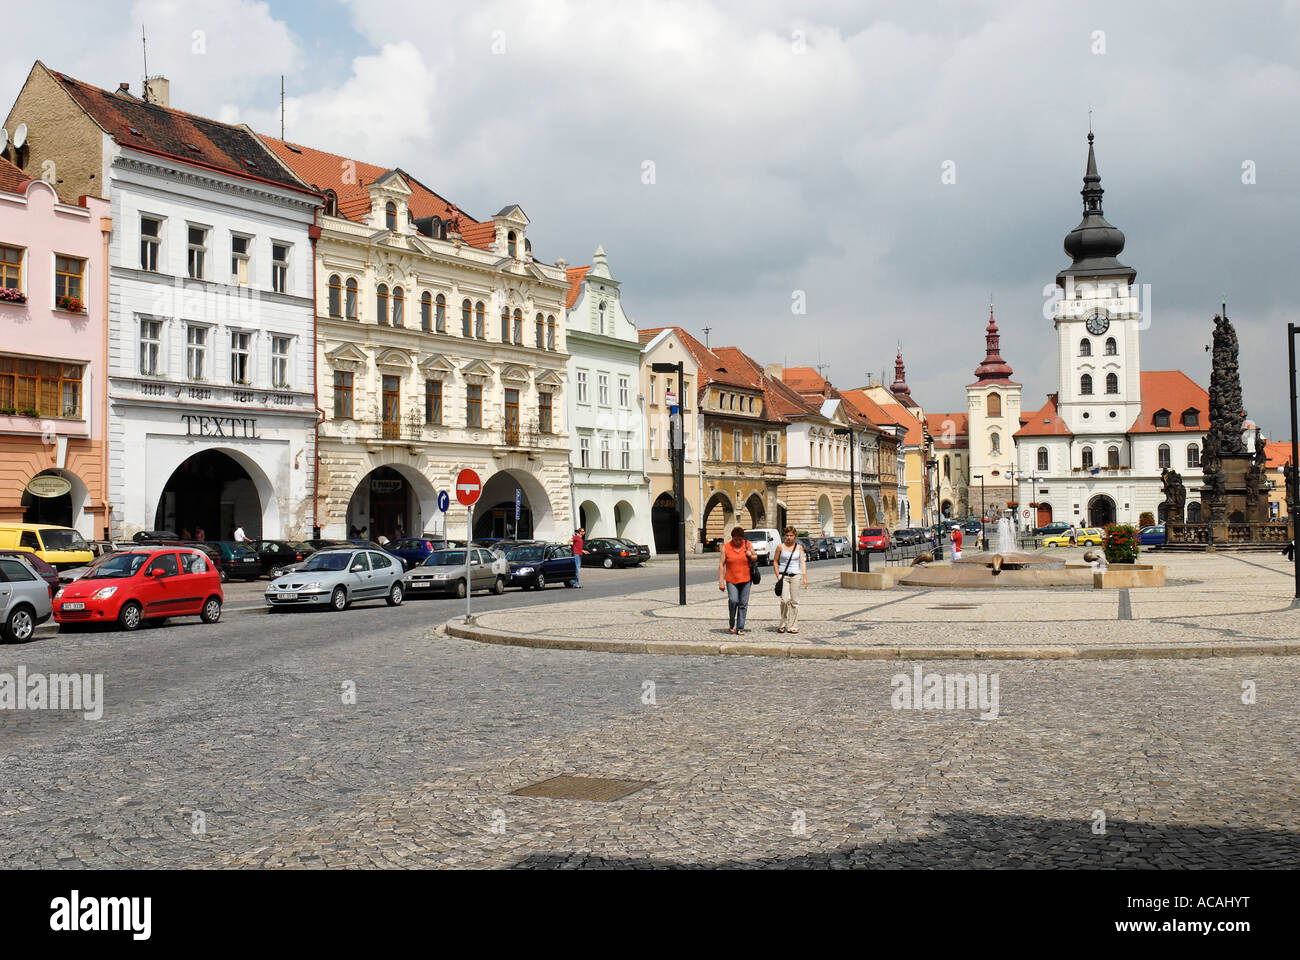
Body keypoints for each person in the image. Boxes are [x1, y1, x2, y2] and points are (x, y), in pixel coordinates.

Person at [718, 525, 757, 635]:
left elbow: (755, 557)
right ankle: (731, 622)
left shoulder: (747, 544)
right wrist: (721, 581)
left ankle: (740, 627)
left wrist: (751, 555)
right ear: (732, 537)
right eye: (736, 539)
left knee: (743, 604)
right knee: (733, 600)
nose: (738, 541)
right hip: (731, 579)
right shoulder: (726, 547)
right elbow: (721, 564)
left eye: (740, 539)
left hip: (746, 579)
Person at [773, 525, 807, 634]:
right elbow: (775, 561)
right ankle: (782, 623)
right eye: (787, 535)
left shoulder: (799, 547)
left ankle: (792, 626)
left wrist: (804, 577)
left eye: (791, 535)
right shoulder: (780, 547)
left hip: (796, 576)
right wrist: (777, 575)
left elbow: (802, 562)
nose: (789, 537)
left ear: (795, 536)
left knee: (794, 601)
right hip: (784, 576)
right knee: (784, 600)